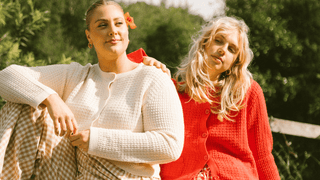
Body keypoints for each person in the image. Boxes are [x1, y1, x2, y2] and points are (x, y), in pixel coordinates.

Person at [0, 0, 184, 179]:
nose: (113, 31)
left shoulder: (153, 77)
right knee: (25, 105)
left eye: (119, 23)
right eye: (102, 25)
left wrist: (96, 141)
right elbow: (6, 77)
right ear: (89, 36)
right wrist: (51, 99)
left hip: (130, 177)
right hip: (74, 174)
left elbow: (169, 145)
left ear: (127, 30)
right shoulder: (76, 75)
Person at [142, 16, 280, 179]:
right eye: (219, 41)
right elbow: (121, 63)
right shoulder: (173, 90)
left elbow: (262, 155)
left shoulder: (249, 92)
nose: (223, 50)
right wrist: (147, 65)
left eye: (232, 49)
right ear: (205, 43)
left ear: (236, 61)